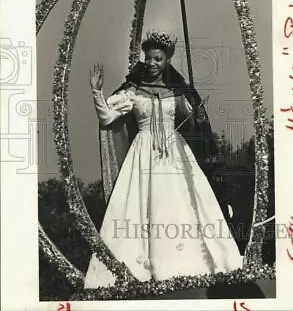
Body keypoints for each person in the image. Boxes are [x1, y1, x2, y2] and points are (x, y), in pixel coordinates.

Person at [84, 30, 243, 289]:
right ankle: (142, 269)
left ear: (167, 60)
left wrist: (197, 116)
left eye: (157, 59)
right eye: (148, 58)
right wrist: (96, 91)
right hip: (143, 156)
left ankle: (191, 266)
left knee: (184, 205)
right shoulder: (133, 92)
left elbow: (193, 124)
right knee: (143, 208)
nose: (151, 64)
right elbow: (107, 118)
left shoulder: (177, 93)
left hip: (176, 155)